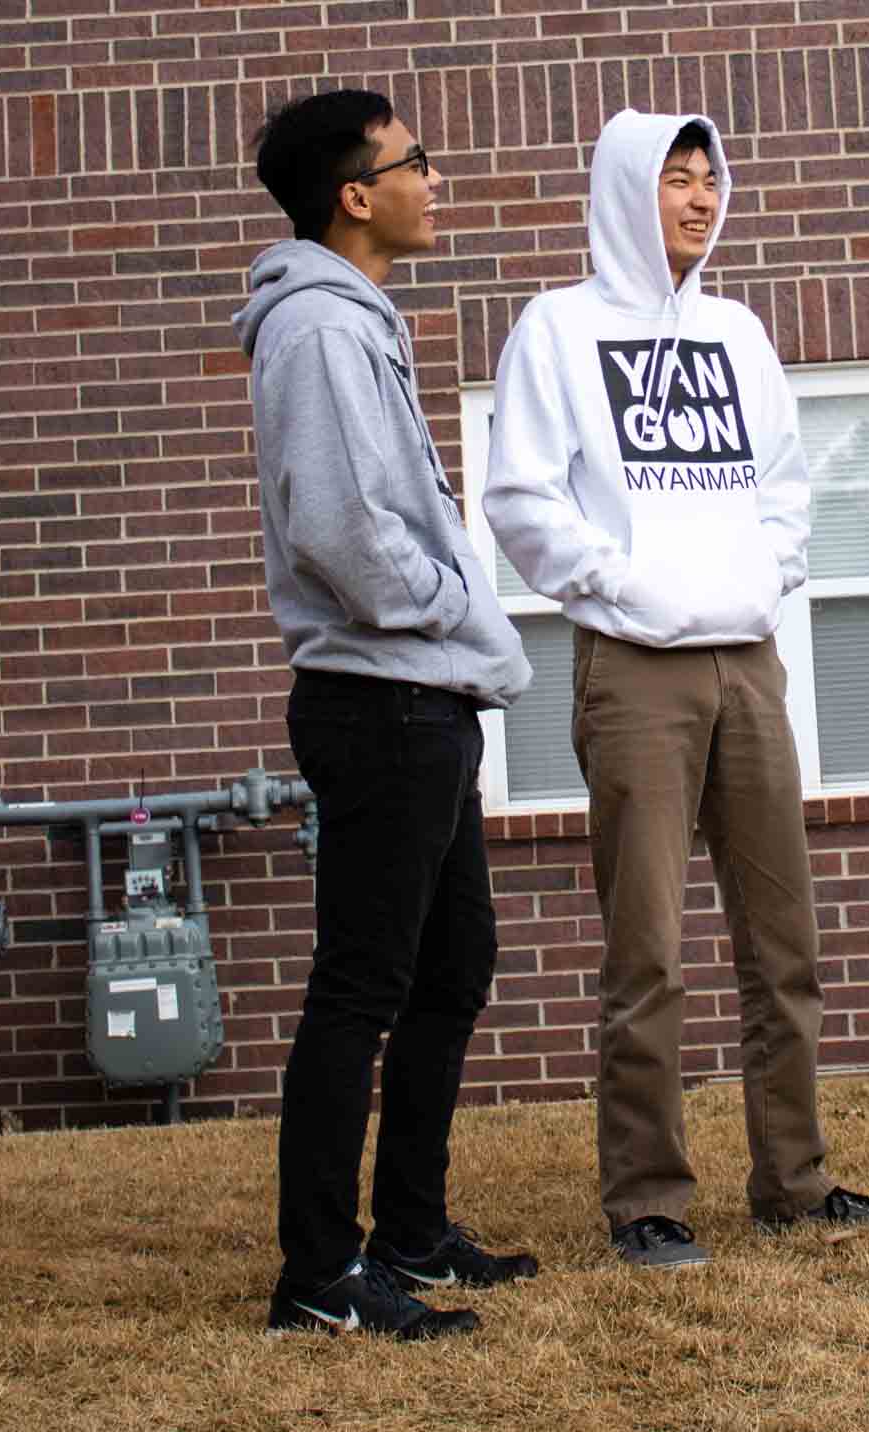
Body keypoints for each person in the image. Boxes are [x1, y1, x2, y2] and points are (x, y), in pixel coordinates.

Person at [482, 109, 869, 1269]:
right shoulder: (559, 329)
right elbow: (523, 499)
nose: (696, 198)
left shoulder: (736, 330)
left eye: (708, 179)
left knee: (784, 939)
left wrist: (757, 581)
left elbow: (786, 486)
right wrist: (627, 588)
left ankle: (796, 1178)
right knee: (651, 948)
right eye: (673, 179)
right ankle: (648, 1199)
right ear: (628, 189)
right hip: (634, 668)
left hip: (749, 660)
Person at [233, 88, 537, 1339]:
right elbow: (344, 533)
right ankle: (319, 1273)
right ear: (355, 195)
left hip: (423, 696)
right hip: (382, 699)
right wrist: (448, 600)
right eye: (418, 162)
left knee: (450, 967)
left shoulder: (356, 320)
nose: (435, 180)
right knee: (361, 987)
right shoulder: (317, 329)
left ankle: (409, 1233)